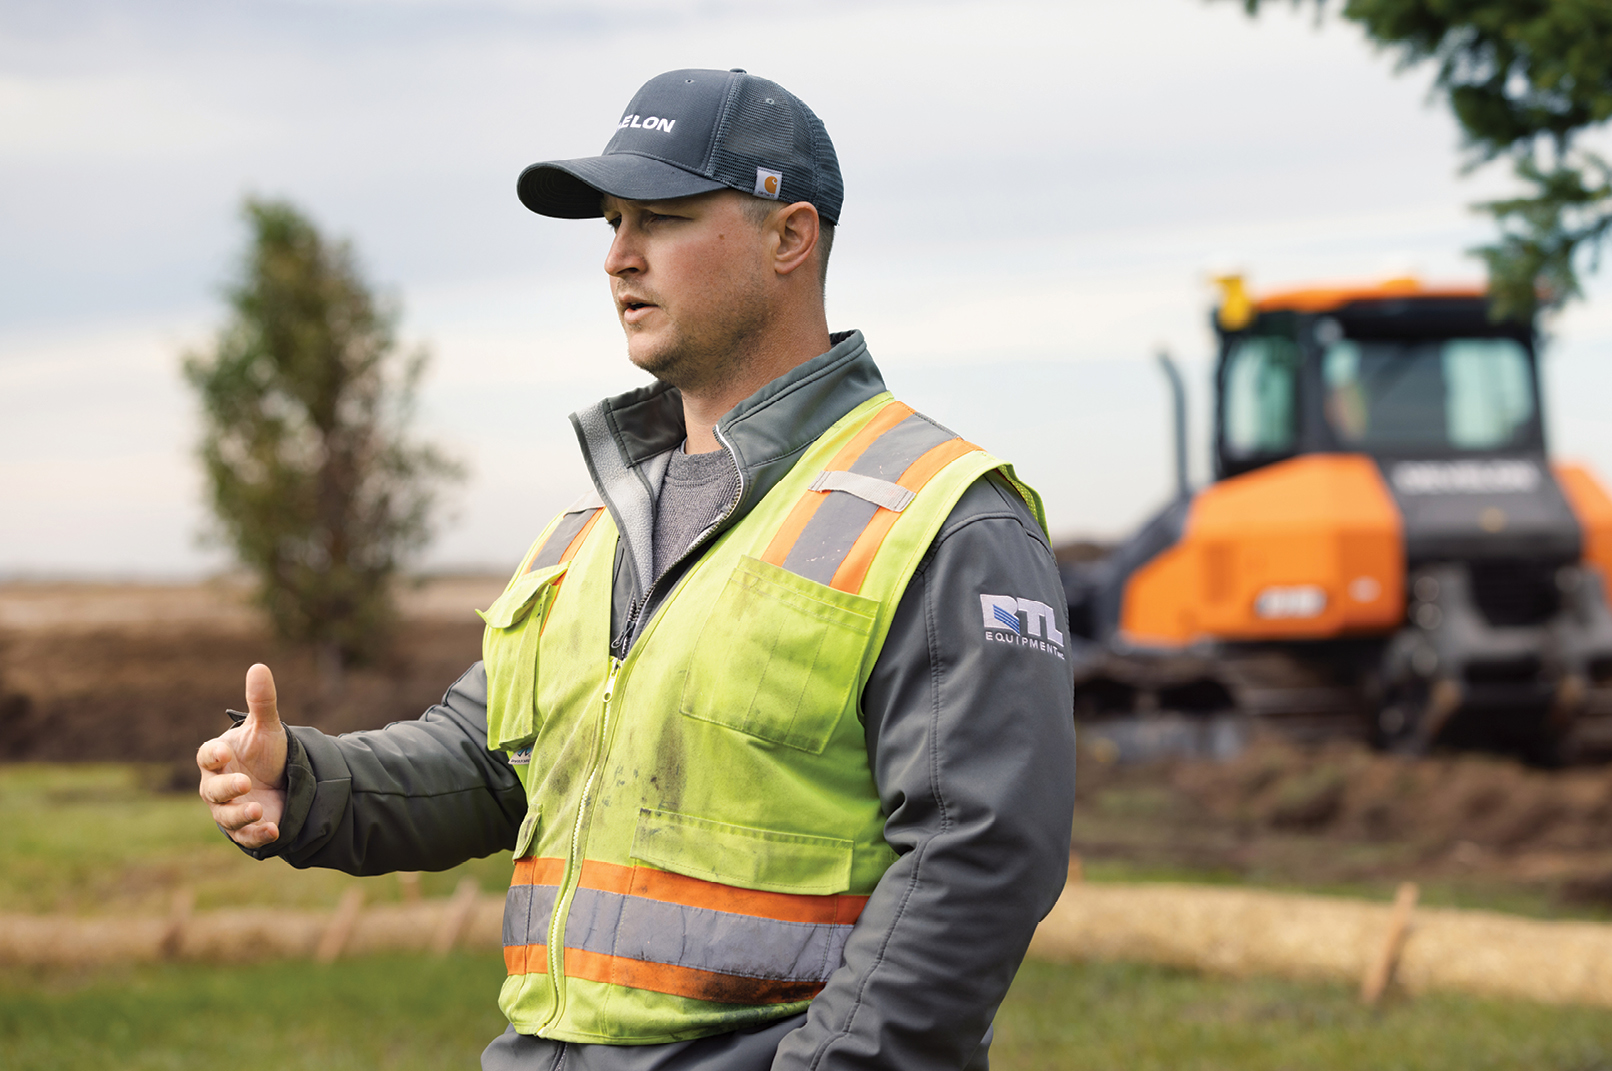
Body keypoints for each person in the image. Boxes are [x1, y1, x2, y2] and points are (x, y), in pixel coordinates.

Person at [196, 68, 1074, 1070]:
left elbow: (979, 861)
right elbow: (489, 761)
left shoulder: (944, 518)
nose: (618, 258)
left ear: (790, 237)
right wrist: (304, 783)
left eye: (660, 218)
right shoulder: (596, 527)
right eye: (612, 223)